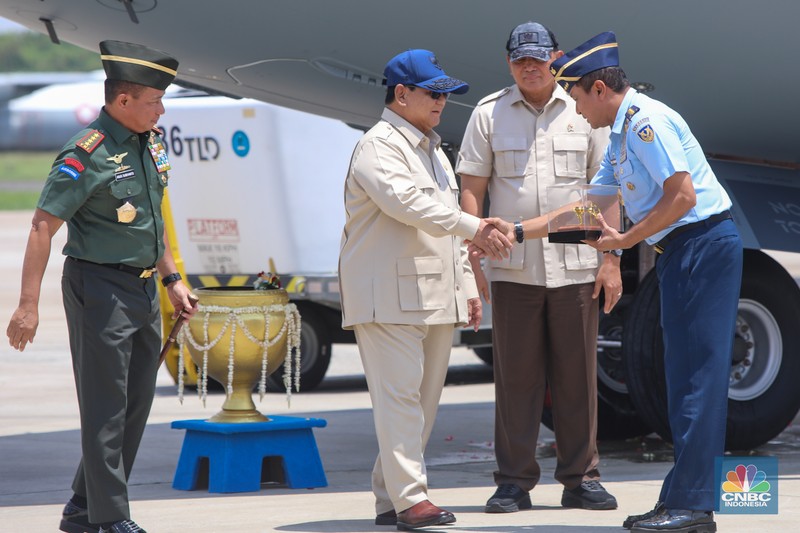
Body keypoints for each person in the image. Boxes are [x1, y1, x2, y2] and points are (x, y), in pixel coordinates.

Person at [547, 32, 742, 532]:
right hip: (682, 252)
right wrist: (515, 230)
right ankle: (680, 498)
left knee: (697, 382)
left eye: (574, 98)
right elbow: (590, 209)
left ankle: (694, 508)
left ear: (596, 89)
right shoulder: (619, 134)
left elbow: (682, 196)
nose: (576, 111)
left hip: (701, 246)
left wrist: (625, 240)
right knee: (681, 383)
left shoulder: (644, 123)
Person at [5, 40, 197, 533]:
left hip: (143, 288)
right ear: (123, 100)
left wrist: (172, 278)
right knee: (105, 406)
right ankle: (109, 519)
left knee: (135, 404)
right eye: (153, 100)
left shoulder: (149, 141)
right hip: (99, 287)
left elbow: (150, 222)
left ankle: (82, 505)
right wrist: (27, 305)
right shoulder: (85, 152)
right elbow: (42, 226)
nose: (161, 109)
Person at [338, 48, 513, 531]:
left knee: (422, 404)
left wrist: (465, 288)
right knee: (400, 403)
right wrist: (475, 226)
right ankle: (411, 499)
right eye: (433, 93)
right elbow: (408, 205)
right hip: (387, 296)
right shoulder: (379, 145)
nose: (441, 102)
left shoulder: (431, 147)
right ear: (402, 94)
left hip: (431, 294)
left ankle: (388, 496)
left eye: (445, 94)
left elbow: (443, 225)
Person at [456, 21, 619, 515]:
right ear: (509, 62)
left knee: (577, 379)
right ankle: (513, 482)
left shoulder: (582, 108)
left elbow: (606, 190)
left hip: (575, 267)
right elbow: (472, 189)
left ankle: (581, 478)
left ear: (556, 57)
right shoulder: (488, 114)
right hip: (513, 268)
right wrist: (473, 256)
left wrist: (611, 259)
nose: (529, 67)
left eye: (538, 58)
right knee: (516, 380)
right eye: (520, 59)